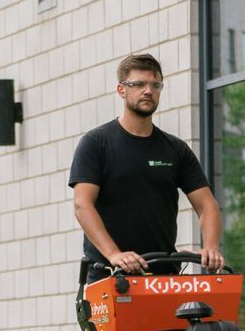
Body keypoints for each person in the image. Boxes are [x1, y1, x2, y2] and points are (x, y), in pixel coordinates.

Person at [68, 52, 223, 276]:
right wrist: (114, 254)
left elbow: (207, 205)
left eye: (155, 85)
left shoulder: (176, 149)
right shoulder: (96, 143)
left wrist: (211, 247)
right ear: (121, 90)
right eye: (139, 84)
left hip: (164, 277)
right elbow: (82, 205)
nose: (148, 91)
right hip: (110, 277)